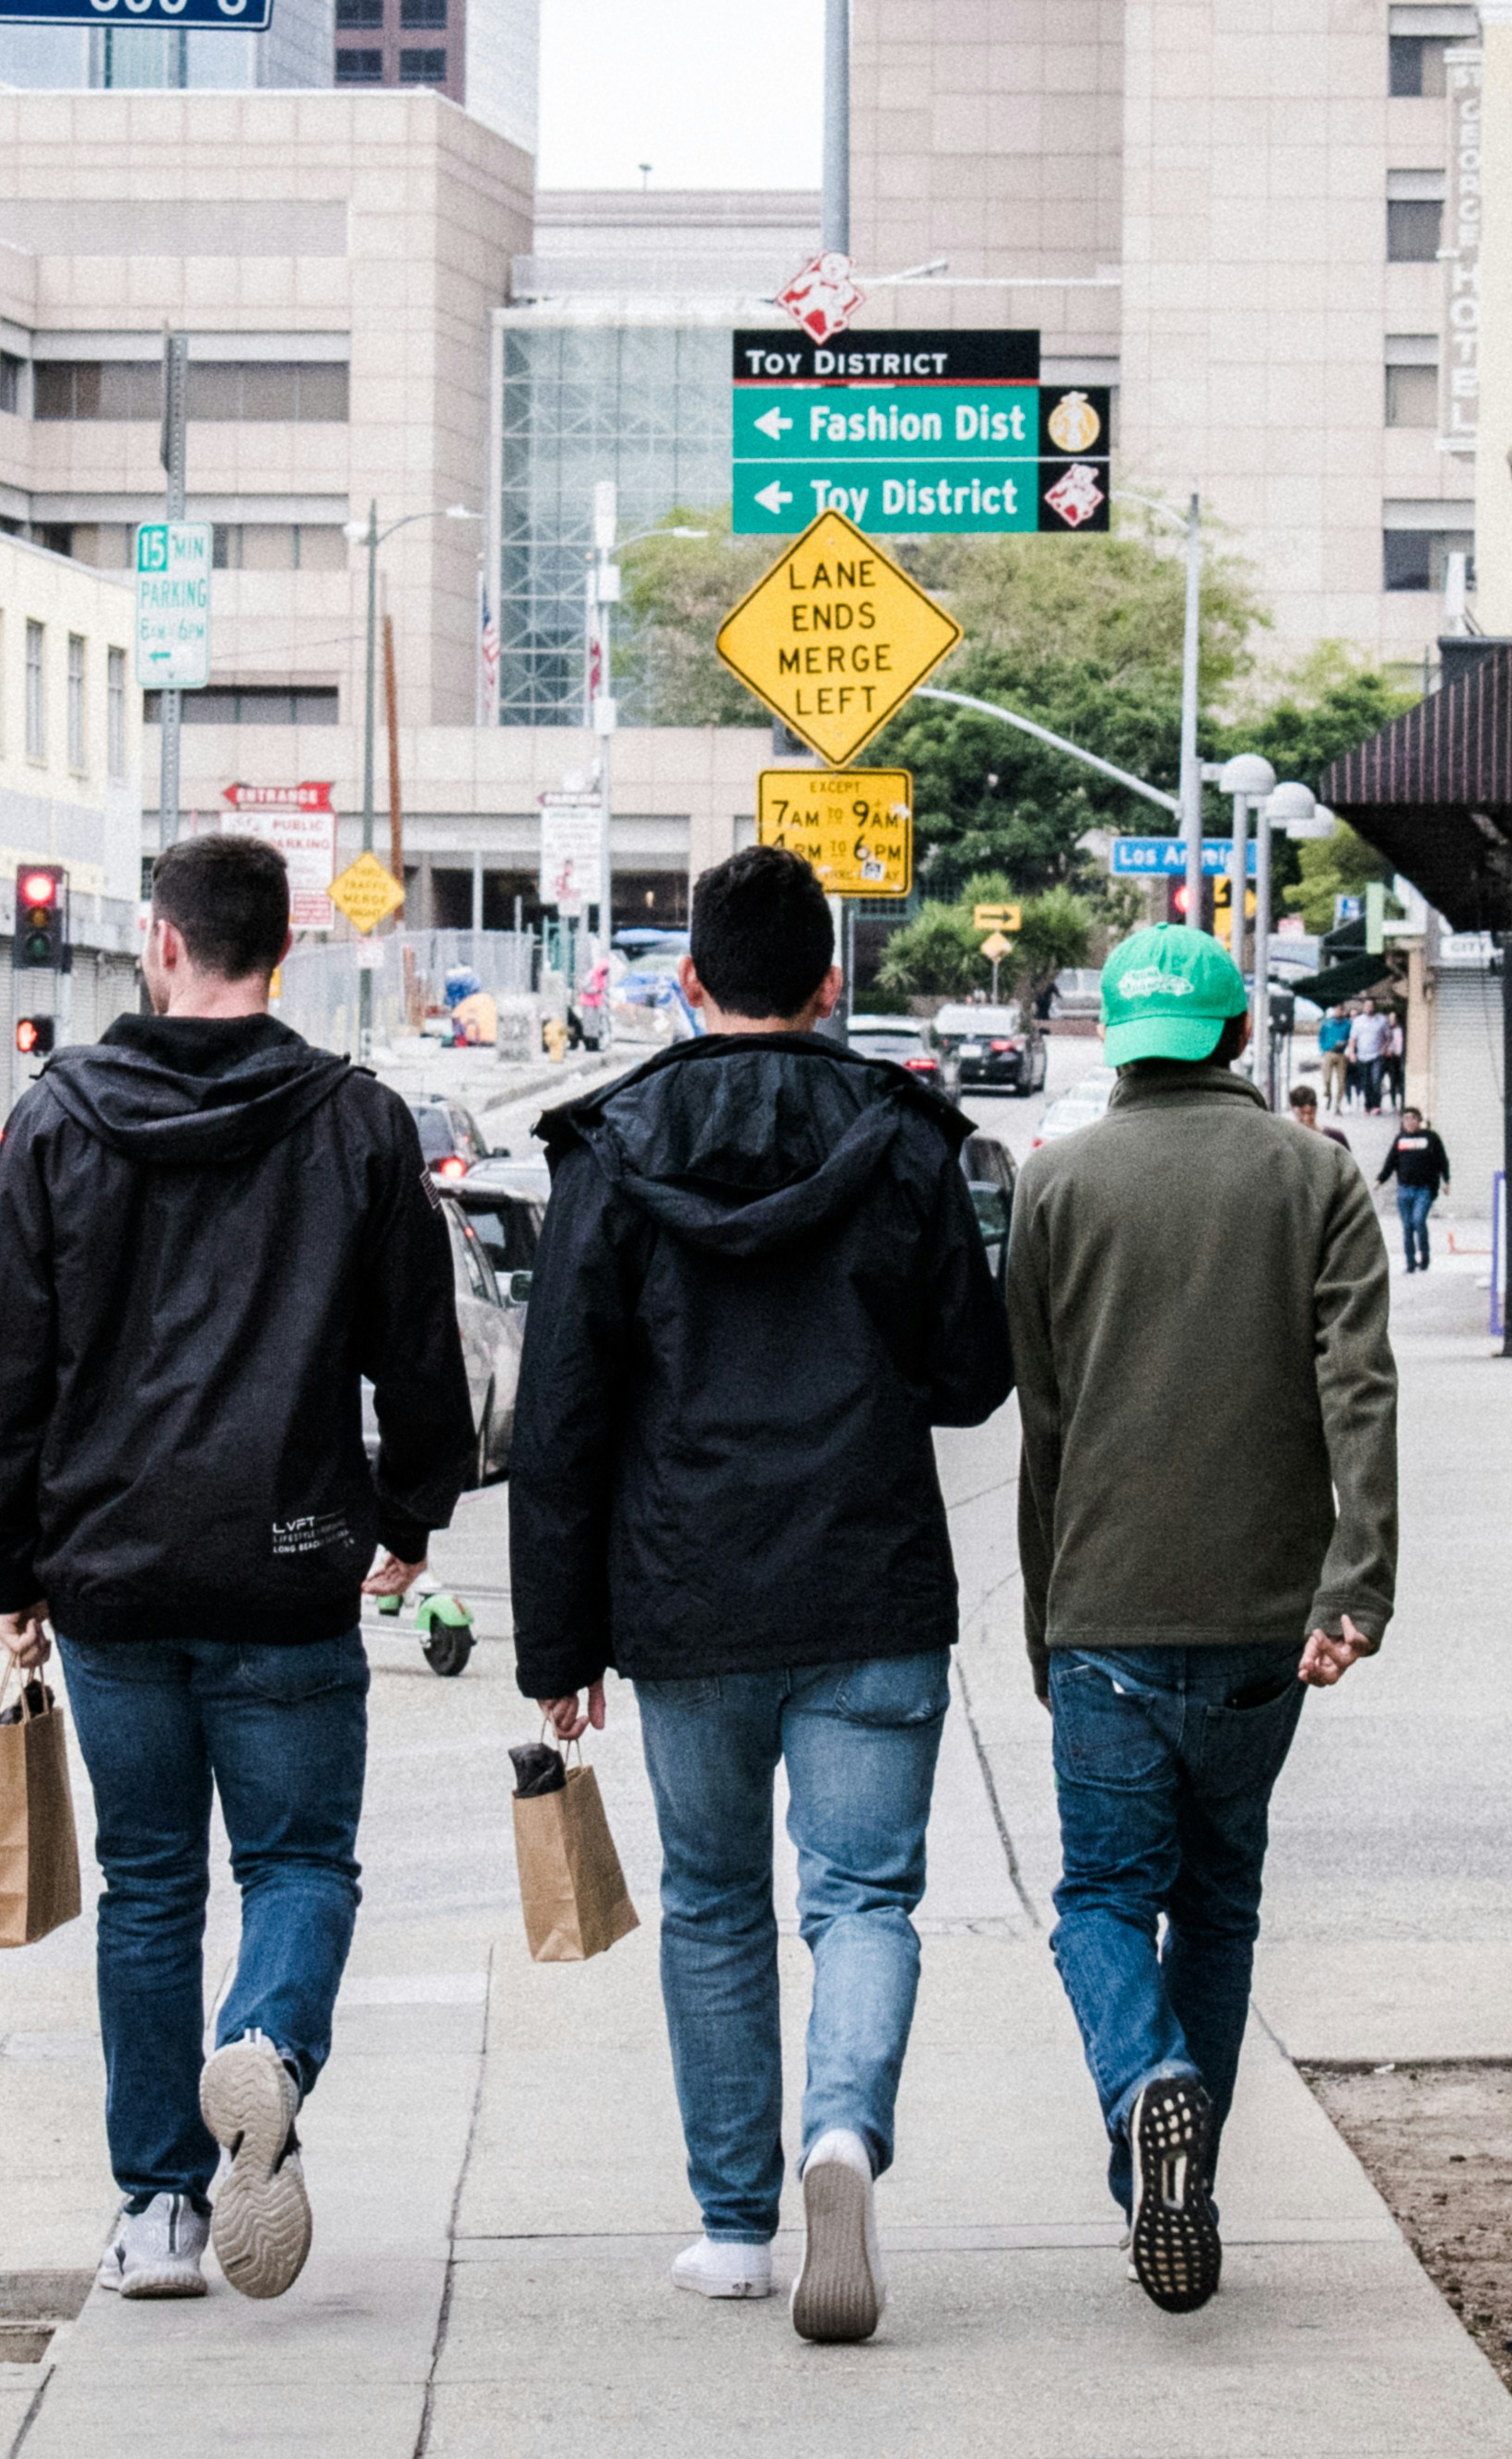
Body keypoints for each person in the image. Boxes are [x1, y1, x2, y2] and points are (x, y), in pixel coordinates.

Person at [0, 831, 479, 2310]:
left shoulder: (58, 1123)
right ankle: (273, 2048)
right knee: (300, 1863)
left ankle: (161, 2213)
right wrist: (411, 1512)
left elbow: (5, 1364)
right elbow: (416, 1352)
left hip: (113, 1570)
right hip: (293, 1561)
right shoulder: (359, 1124)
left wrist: (0, 1553)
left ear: (160, 948)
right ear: (282, 952)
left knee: (151, 1883)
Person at [510, 841, 1014, 2345]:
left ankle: (734, 2231)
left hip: (684, 1600)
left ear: (687, 982)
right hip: (867, 1583)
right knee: (859, 1899)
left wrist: (558, 1644)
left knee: (712, 1905)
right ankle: (841, 2137)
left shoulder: (606, 1153)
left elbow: (559, 1422)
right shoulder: (905, 1142)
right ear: (826, 984)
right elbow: (972, 1379)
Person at [1002, 924, 1397, 2318]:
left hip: (1103, 1611)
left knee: (1103, 1902)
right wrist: (1358, 1588)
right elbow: (1360, 1389)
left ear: (1117, 1048)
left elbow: (1044, 1426)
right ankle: (1180, 2181)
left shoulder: (1055, 1189)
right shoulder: (1318, 1177)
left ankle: (1145, 2088)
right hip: (1266, 1625)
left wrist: (1046, 1613)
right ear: (1238, 1041)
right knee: (1216, 1908)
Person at [1379, 1106, 1451, 1274]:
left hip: (1424, 1189)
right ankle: (1410, 1262)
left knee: (1418, 1220)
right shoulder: (1400, 1140)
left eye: (1413, 1118)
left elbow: (1442, 1160)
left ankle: (1424, 1256)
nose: (1409, 1122)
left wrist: (1446, 1180)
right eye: (1406, 1119)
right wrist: (1380, 1179)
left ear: (1419, 1120)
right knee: (1407, 1226)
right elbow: (1391, 1162)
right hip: (1404, 1189)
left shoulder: (1430, 1138)